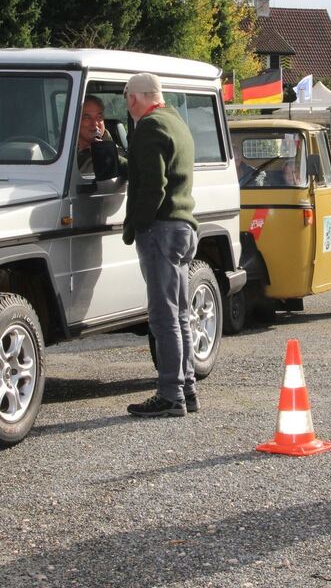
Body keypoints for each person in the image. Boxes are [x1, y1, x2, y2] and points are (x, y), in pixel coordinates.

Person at [121, 73, 201, 418]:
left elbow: (154, 184)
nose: (126, 105)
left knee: (163, 315)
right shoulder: (175, 122)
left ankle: (170, 395)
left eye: (126, 98)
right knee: (180, 315)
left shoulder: (149, 127)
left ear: (134, 99)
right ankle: (187, 388)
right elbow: (153, 170)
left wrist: (138, 224)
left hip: (161, 229)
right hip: (183, 227)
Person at [76, 95, 124, 173]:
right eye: (87, 117)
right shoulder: (65, 150)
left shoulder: (116, 154)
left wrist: (103, 152)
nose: (95, 124)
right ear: (76, 121)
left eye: (99, 117)